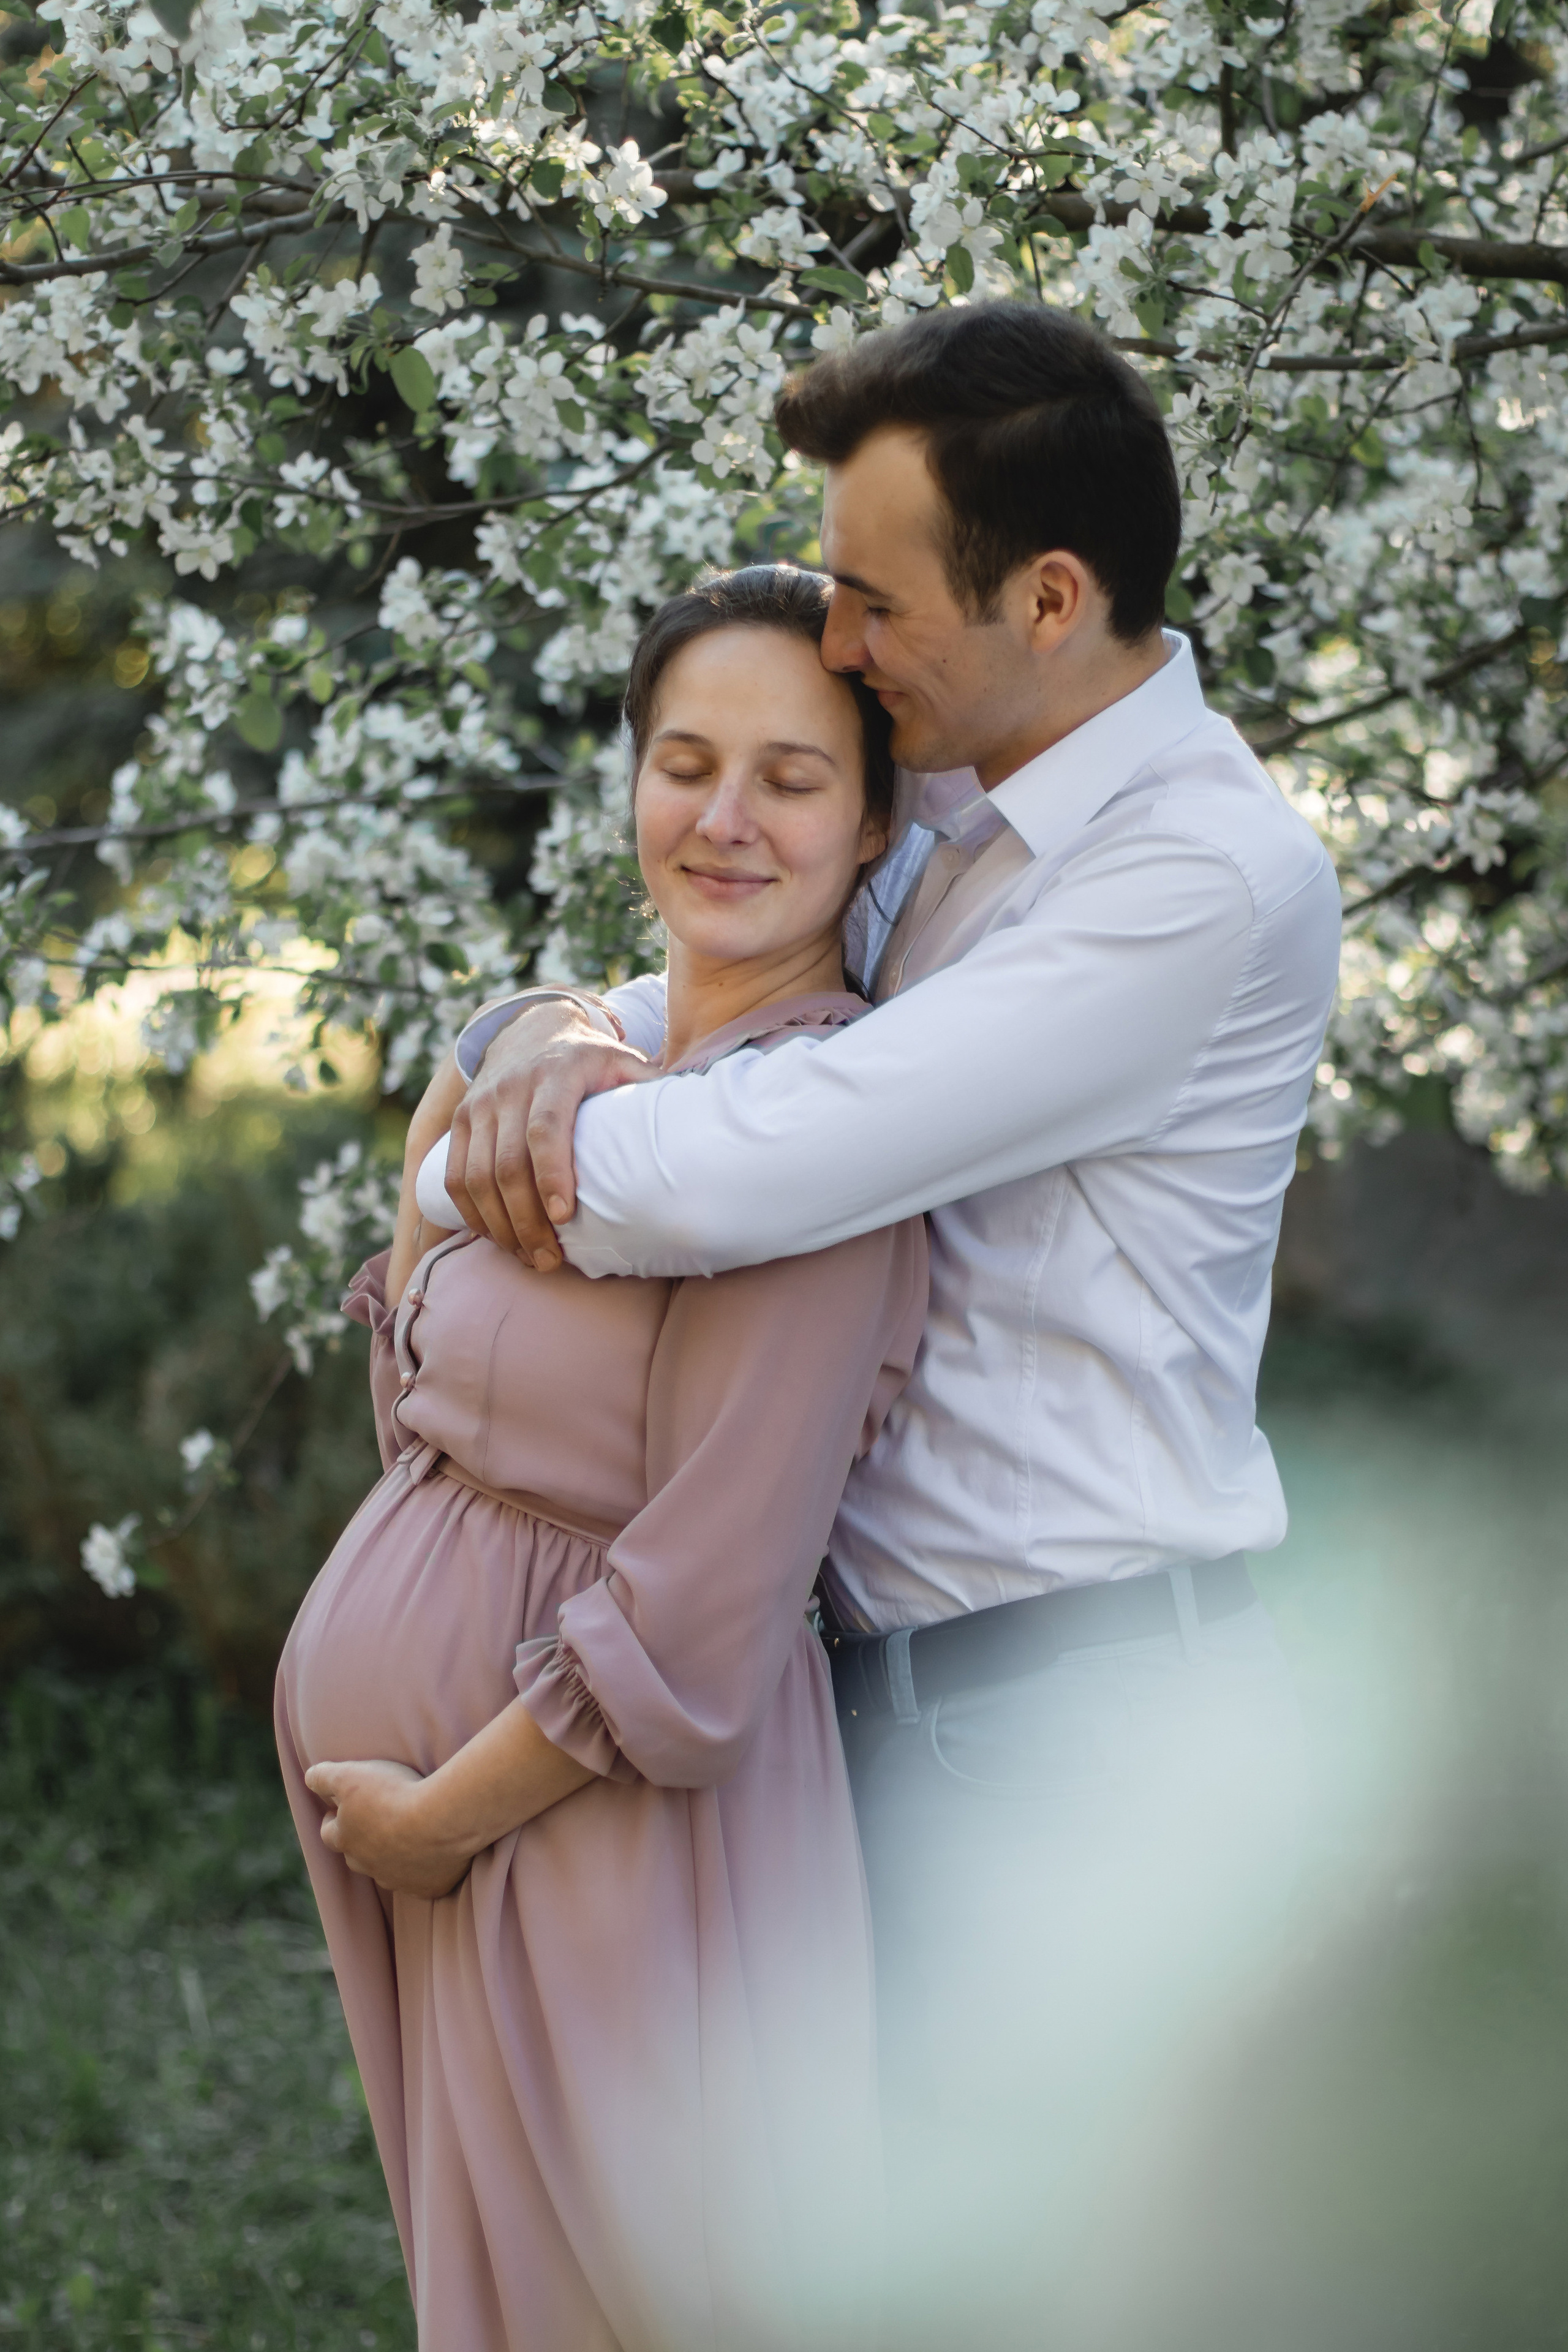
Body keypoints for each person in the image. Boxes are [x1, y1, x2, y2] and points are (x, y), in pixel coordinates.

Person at [436, 302, 1344, 2343]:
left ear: (1049, 598)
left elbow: (768, 1154)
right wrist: (538, 1035)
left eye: (872, 598)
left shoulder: (1198, 877)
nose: (839, 645)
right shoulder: (951, 803)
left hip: (1072, 1722)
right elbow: (718, 989)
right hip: (873, 1712)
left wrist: (454, 1179)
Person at [274, 566, 929, 2352]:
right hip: (470, 1834)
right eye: (684, 763)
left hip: (603, 1832)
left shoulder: (819, 1131)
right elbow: (422, 1357)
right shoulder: (601, 1056)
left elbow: (705, 1609)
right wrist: (513, 1035)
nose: (724, 819)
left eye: (792, 778)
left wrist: (434, 1821)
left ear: (875, 819)